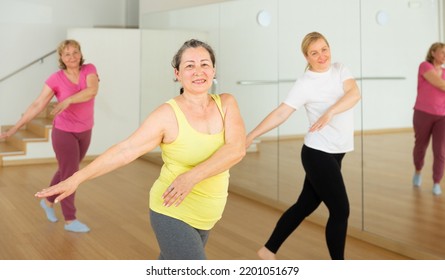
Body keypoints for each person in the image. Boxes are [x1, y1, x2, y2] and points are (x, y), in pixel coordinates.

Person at [35, 39, 246, 259]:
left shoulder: (227, 103)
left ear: (213, 69)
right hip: (172, 210)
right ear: (177, 73)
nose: (198, 71)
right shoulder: (167, 115)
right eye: (189, 66)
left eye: (204, 64)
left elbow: (236, 149)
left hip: (207, 214)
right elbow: (126, 150)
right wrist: (76, 178)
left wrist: (191, 177)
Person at [246, 32, 361, 260]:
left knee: (305, 205)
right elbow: (281, 113)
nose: (321, 56)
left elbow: (354, 94)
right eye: (314, 53)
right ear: (306, 57)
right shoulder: (305, 83)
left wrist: (330, 112)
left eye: (324, 49)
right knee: (341, 210)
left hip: (336, 152)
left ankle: (268, 250)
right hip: (317, 153)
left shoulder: (340, 69)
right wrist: (251, 136)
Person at [1, 39, 99, 233]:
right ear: (61, 58)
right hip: (64, 131)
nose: (72, 57)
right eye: (67, 54)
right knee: (71, 174)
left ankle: (48, 201)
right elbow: (38, 105)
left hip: (85, 130)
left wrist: (69, 99)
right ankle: (70, 219)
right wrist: (14, 129)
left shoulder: (89, 70)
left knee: (66, 170)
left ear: (80, 54)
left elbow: (92, 91)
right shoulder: (55, 79)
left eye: (75, 52)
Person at [412, 42, 445, 196]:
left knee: (440, 151)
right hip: (423, 113)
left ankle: (436, 182)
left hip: (442, 116)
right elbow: (440, 84)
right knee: (420, 147)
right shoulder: (424, 66)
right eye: (442, 52)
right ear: (433, 53)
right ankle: (418, 171)